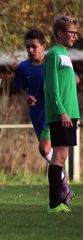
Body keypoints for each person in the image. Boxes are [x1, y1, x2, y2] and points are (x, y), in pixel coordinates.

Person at [13, 29, 74, 206]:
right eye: (28, 48)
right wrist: (26, 96)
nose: (31, 50)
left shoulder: (54, 61)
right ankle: (63, 186)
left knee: (44, 147)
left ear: (44, 47)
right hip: (37, 115)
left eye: (34, 47)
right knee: (47, 151)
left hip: (53, 112)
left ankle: (62, 183)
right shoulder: (23, 68)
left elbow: (74, 79)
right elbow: (21, 87)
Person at [44, 15, 80, 214]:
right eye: (71, 32)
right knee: (58, 157)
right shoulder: (53, 54)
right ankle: (54, 204)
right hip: (61, 115)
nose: (75, 36)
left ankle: (59, 201)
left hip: (70, 114)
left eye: (75, 32)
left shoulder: (65, 55)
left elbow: (70, 81)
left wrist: (74, 112)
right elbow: (51, 87)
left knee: (62, 155)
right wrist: (62, 111)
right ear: (60, 33)